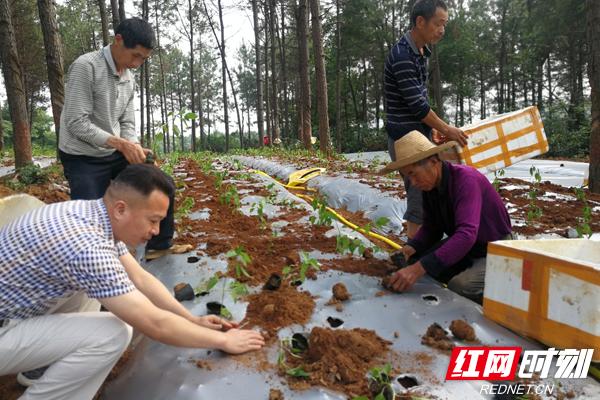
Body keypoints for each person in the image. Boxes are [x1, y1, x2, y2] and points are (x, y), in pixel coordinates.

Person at [0, 164, 265, 400]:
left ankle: (37, 368)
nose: (156, 232)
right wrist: (222, 342)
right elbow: (154, 323)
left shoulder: (88, 214)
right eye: (153, 220)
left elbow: (138, 277)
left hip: (15, 313)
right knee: (113, 333)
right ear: (121, 209)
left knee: (98, 288)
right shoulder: (86, 247)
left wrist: (191, 320)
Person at [58, 17, 182, 258]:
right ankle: (95, 264)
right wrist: (120, 144)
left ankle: (159, 246)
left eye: (143, 59)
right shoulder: (87, 67)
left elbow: (127, 122)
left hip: (114, 150)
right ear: (118, 40)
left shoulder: (129, 76)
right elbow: (76, 123)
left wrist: (133, 147)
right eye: (135, 56)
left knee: (161, 184)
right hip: (82, 157)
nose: (137, 64)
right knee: (89, 220)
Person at [379, 131, 512, 303]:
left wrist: (418, 269)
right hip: (469, 248)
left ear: (434, 162)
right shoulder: (430, 187)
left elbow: (466, 235)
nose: (412, 182)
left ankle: (500, 297)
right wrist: (410, 248)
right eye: (406, 176)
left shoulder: (466, 180)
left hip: (494, 249)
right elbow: (431, 227)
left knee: (460, 286)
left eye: (413, 173)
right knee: (416, 261)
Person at [383, 0, 468, 239]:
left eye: (445, 24)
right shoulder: (402, 55)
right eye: (438, 24)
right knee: (419, 191)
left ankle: (427, 245)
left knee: (433, 187)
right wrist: (446, 129)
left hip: (419, 133)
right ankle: (414, 251)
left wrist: (433, 131)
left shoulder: (421, 51)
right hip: (404, 137)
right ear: (420, 22)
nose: (442, 30)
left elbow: (421, 99)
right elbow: (418, 106)